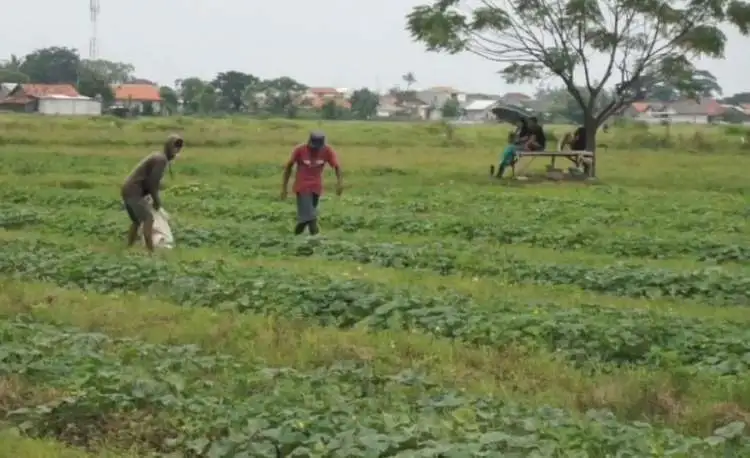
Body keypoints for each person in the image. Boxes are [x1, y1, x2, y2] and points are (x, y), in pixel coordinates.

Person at [121, 134, 182, 252]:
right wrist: (156, 201)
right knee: (148, 219)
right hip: (134, 191)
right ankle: (150, 252)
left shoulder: (159, 157)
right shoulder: (161, 160)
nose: (177, 150)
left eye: (179, 147)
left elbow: (150, 181)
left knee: (137, 221)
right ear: (168, 147)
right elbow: (152, 183)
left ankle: (128, 248)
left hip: (128, 189)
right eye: (175, 147)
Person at [281, 131, 343, 235]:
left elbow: (337, 167)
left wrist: (340, 183)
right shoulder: (300, 150)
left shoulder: (327, 151)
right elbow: (288, 167)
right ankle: (316, 241)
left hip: (316, 188)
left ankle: (294, 237)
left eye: (317, 147)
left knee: (305, 219)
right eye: (313, 147)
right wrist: (284, 188)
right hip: (302, 187)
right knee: (311, 217)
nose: (315, 149)